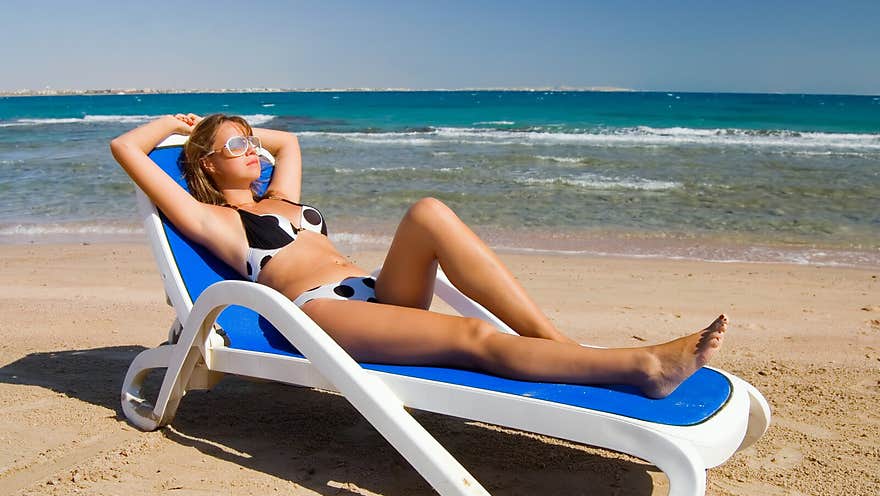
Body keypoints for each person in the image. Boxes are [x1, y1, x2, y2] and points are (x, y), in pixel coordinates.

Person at [110, 112, 727, 399]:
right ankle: (641, 370)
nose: (253, 149)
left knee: (428, 210)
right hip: (321, 314)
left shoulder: (282, 197)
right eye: (236, 145)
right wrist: (177, 125)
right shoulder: (217, 220)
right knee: (469, 336)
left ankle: (555, 342)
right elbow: (126, 149)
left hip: (376, 291)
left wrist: (236, 129)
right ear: (208, 164)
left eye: (250, 140)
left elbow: (289, 139)